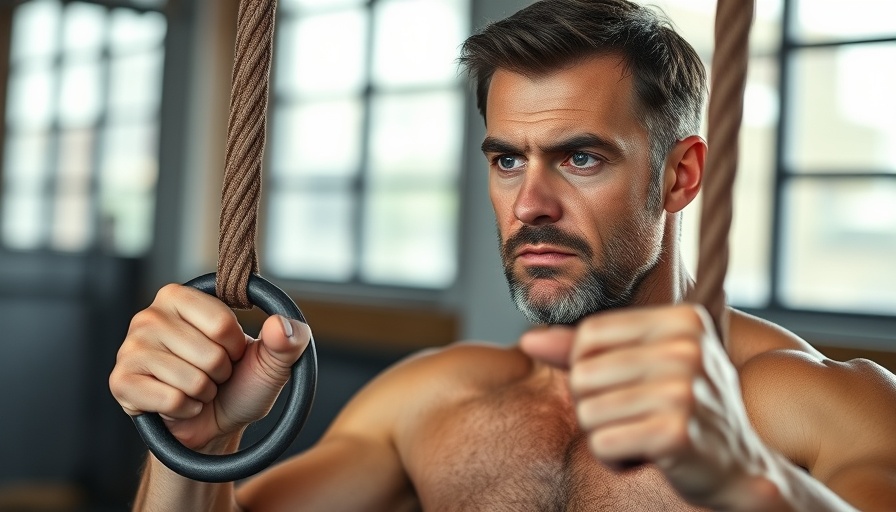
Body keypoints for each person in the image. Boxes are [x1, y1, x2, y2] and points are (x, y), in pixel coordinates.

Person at [109, 0, 896, 510]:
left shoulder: (815, 408)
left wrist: (760, 492)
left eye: (581, 158)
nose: (530, 206)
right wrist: (198, 449)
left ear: (681, 175)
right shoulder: (431, 402)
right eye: (507, 160)